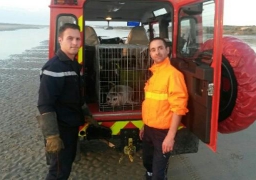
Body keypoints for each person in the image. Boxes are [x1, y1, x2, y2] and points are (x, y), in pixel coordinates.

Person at [37, 23, 94, 180]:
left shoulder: (73, 65)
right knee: (58, 171)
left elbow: (74, 96)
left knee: (65, 165)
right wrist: (52, 136)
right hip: (60, 129)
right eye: (70, 38)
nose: (75, 43)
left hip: (71, 125)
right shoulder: (53, 68)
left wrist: (85, 113)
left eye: (77, 39)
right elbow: (44, 104)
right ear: (60, 40)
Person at [139, 37, 189, 180]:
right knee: (147, 164)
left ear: (167, 50)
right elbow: (151, 103)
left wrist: (170, 137)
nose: (157, 52)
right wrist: (145, 125)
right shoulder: (153, 74)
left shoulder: (173, 75)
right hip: (149, 129)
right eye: (153, 50)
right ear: (150, 54)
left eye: (160, 48)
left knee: (158, 174)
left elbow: (179, 108)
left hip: (163, 133)